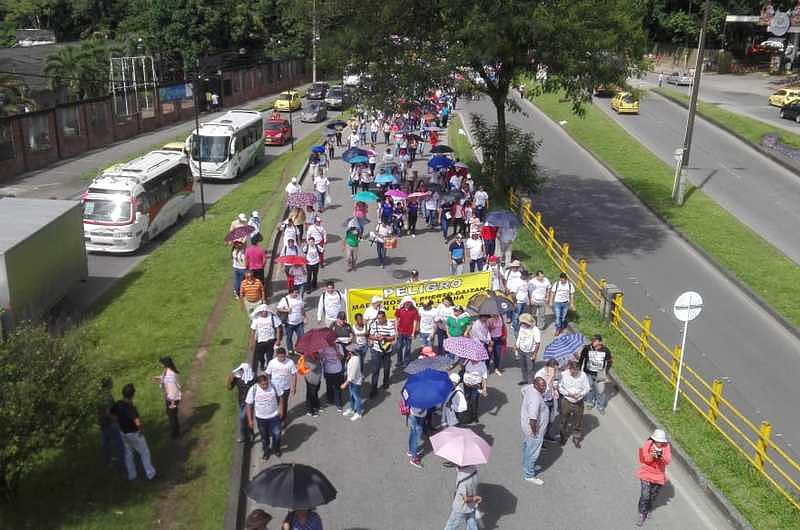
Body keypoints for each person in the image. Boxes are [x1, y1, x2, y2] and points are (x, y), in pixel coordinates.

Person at [111, 383, 156, 480]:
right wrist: (141, 429)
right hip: (134, 433)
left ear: (123, 393)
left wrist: (119, 424)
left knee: (128, 455)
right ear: (133, 394)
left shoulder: (118, 404)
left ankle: (132, 476)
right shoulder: (130, 407)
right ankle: (151, 474)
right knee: (145, 452)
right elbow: (137, 422)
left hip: (123, 433)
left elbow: (113, 416)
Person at [637, 429, 672, 526]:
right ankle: (641, 513)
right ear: (654, 439)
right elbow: (645, 459)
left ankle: (648, 509)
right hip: (646, 473)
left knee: (652, 495)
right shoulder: (648, 444)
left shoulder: (666, 446)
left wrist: (661, 456)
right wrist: (652, 456)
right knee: (645, 495)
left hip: (659, 475)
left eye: (661, 442)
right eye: (658, 441)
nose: (660, 443)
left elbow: (668, 460)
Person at [246, 374, 284, 460]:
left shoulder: (274, 385)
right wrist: (250, 420)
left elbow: (281, 397)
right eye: (263, 384)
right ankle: (266, 451)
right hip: (261, 418)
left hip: (274, 416)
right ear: (258, 384)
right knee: (264, 437)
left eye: (266, 383)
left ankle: (276, 448)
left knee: (277, 434)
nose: (265, 386)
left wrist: (281, 409)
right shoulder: (253, 389)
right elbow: (248, 405)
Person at [521, 376, 549, 485]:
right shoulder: (535, 399)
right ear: (535, 385)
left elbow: (521, 391)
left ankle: (526, 465)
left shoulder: (529, 388)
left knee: (527, 447)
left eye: (545, 385)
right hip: (533, 430)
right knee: (533, 452)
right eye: (542, 386)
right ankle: (529, 474)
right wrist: (535, 431)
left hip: (526, 427)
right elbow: (533, 419)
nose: (544, 388)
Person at [558, 359, 591, 448]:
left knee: (578, 421)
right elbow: (560, 387)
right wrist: (568, 393)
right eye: (573, 371)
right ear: (569, 368)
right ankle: (562, 437)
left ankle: (576, 438)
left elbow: (587, 388)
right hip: (567, 401)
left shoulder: (583, 375)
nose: (575, 373)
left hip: (578, 401)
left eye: (577, 371)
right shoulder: (563, 374)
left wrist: (580, 394)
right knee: (563, 420)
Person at [578, 334, 613, 413]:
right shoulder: (587, 348)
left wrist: (606, 371)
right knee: (589, 388)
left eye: (595, 340)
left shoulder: (606, 350)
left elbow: (610, 361)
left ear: (600, 342)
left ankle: (600, 405)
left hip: (600, 373)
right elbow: (581, 359)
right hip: (588, 372)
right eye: (592, 340)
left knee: (600, 390)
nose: (592, 342)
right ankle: (590, 402)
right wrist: (579, 369)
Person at [443, 464, 481, 530]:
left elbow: (466, 499)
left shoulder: (463, 481)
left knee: (451, 525)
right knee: (471, 523)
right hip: (472, 505)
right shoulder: (474, 468)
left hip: (461, 507)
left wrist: (476, 498)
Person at [266, 347, 297, 427]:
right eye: (280, 357)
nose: (282, 358)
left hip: (285, 388)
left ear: (285, 355)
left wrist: (294, 387)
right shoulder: (272, 363)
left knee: (284, 404)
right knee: (275, 404)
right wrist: (268, 385)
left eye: (283, 356)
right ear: (276, 355)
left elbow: (294, 375)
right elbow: (268, 374)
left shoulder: (290, 362)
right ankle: (275, 419)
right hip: (274, 388)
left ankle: (283, 419)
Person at [97, 377, 124, 471]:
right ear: (108, 384)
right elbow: (108, 412)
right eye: (111, 382)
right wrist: (117, 420)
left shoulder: (99, 395)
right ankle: (122, 464)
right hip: (110, 424)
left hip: (102, 424)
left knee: (106, 445)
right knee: (119, 444)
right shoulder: (106, 396)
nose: (113, 383)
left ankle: (109, 463)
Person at [368, 310, 396, 396]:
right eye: (378, 318)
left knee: (386, 368)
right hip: (376, 350)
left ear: (385, 317)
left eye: (380, 318)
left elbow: (393, 337)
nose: (379, 320)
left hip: (387, 351)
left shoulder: (390, 325)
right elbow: (370, 335)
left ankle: (385, 382)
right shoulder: (374, 324)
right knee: (375, 370)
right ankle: (374, 389)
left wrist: (384, 338)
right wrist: (376, 339)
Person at [228, 362, 256, 443]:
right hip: (242, 402)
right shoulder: (237, 379)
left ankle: (245, 436)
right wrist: (230, 378)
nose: (240, 372)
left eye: (242, 370)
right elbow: (229, 387)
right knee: (245, 419)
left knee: (243, 417)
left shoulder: (253, 378)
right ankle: (250, 433)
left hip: (250, 402)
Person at [251, 304, 284, 371]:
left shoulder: (272, 317)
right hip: (260, 342)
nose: (265, 312)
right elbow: (253, 331)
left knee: (270, 357)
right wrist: (252, 342)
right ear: (260, 312)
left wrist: (278, 340)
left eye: (266, 311)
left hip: (270, 341)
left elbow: (277, 328)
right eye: (263, 311)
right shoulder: (256, 319)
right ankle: (262, 363)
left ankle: (269, 369)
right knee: (260, 356)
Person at [155, 357, 182, 438]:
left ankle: (175, 433)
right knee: (171, 414)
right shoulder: (167, 370)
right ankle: (176, 429)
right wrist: (159, 379)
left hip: (171, 398)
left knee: (172, 416)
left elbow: (173, 389)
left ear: (165, 364)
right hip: (169, 396)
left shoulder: (171, 375)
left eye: (162, 363)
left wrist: (172, 402)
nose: (161, 364)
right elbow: (164, 378)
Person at [534, 359, 561, 440]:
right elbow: (541, 392)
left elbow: (555, 384)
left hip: (550, 399)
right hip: (543, 401)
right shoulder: (539, 375)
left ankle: (546, 435)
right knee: (542, 421)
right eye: (555, 369)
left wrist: (555, 391)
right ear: (547, 367)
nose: (556, 371)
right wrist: (549, 380)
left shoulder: (553, 373)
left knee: (551, 420)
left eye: (557, 369)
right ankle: (539, 439)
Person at [276, 287, 305, 353]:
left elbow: (302, 308)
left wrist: (305, 317)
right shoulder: (285, 299)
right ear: (290, 293)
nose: (296, 294)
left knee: (302, 336)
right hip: (289, 323)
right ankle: (290, 350)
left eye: (297, 293)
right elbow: (278, 308)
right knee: (289, 337)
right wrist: (286, 310)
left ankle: (297, 347)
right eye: (295, 293)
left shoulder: (299, 297)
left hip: (299, 322)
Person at [394, 296, 420, 367]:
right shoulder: (399, 310)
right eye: (407, 302)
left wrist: (413, 333)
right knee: (399, 347)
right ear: (404, 302)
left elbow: (415, 321)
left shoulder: (414, 310)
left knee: (408, 348)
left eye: (409, 302)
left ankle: (406, 361)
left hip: (409, 332)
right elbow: (396, 320)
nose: (408, 303)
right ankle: (399, 361)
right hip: (400, 331)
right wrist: (396, 331)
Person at [341, 345, 364, 420]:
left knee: (357, 398)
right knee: (352, 396)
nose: (346, 352)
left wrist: (345, 384)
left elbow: (352, 376)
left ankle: (359, 413)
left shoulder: (354, 361)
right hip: (353, 382)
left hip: (355, 383)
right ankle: (352, 409)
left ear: (351, 352)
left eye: (347, 351)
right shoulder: (353, 358)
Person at [462, 358, 487, 424]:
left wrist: (484, 389)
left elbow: (484, 378)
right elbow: (463, 369)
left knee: (474, 401)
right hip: (466, 385)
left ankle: (474, 416)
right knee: (467, 400)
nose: (472, 360)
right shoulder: (467, 361)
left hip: (476, 386)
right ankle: (469, 416)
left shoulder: (482, 365)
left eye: (474, 359)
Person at [321, 345, 345, 412]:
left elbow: (342, 357)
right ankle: (330, 400)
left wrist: (337, 351)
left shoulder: (339, 346)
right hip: (327, 371)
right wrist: (322, 354)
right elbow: (320, 358)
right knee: (329, 386)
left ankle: (339, 404)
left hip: (337, 370)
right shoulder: (322, 346)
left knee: (337, 388)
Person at [301, 350, 323, 417]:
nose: (316, 352)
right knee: (311, 395)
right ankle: (310, 411)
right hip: (310, 379)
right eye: (315, 352)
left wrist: (318, 357)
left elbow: (321, 362)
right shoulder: (306, 357)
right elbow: (313, 367)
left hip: (317, 379)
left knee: (315, 393)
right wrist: (315, 359)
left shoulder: (317, 355)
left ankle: (316, 406)